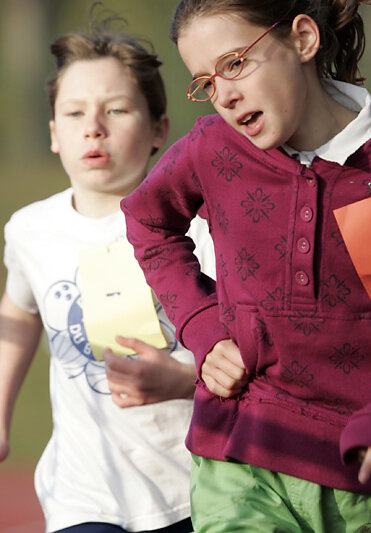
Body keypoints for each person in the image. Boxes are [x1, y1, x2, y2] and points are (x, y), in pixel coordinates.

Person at [121, 2, 371, 532]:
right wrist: (203, 326)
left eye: (234, 64)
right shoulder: (212, 149)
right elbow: (148, 222)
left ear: (303, 39)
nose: (224, 95)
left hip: (368, 476)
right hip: (239, 449)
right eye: (206, 82)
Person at [0, 8, 215, 533]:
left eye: (116, 110)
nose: (93, 127)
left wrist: (184, 380)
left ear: (160, 128)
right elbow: (20, 312)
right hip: (83, 497)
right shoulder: (30, 231)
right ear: (54, 133)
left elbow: (249, 349)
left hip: (191, 491)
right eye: (74, 113)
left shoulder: (201, 228)